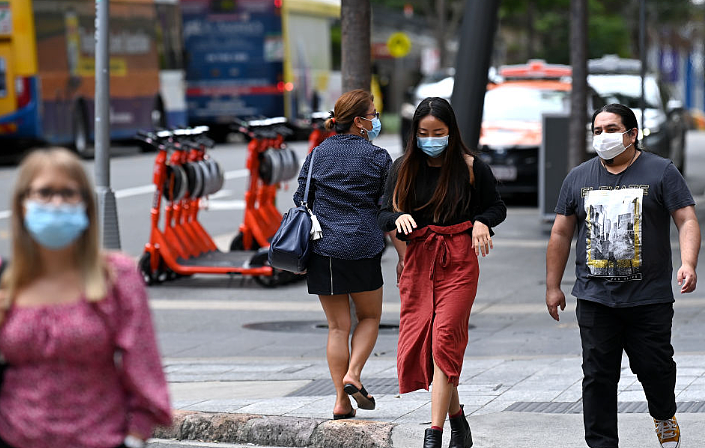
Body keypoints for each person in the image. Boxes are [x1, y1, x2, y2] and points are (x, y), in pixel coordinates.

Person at [545, 103, 701, 448]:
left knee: (655, 369)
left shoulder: (661, 171)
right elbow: (560, 234)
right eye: (598, 131)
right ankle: (602, 443)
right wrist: (553, 286)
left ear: (632, 135)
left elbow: (687, 219)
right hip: (595, 297)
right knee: (598, 376)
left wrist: (688, 263)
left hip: (650, 297)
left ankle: (663, 414)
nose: (604, 137)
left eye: (611, 130)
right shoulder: (578, 177)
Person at [0, 148, 171, 448]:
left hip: (100, 438)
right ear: (23, 204)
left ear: (86, 206)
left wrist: (135, 437)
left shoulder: (117, 278)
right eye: (45, 192)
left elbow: (145, 367)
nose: (57, 203)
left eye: (68, 193)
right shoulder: (6, 281)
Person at [378, 97, 506, 448]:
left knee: (444, 339)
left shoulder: (470, 166)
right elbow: (381, 213)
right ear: (414, 133)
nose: (431, 138)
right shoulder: (403, 166)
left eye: (438, 132)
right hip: (419, 262)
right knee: (427, 345)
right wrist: (395, 219)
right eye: (423, 132)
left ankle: (432, 435)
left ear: (451, 132)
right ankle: (458, 422)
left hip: (459, 261)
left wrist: (482, 222)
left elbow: (496, 207)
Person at [293, 89, 392, 420]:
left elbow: (300, 197)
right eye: (373, 114)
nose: (376, 120)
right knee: (369, 318)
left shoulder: (318, 153)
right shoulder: (377, 157)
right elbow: (388, 207)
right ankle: (354, 374)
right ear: (360, 121)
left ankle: (340, 401)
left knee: (338, 328)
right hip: (364, 246)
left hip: (324, 249)